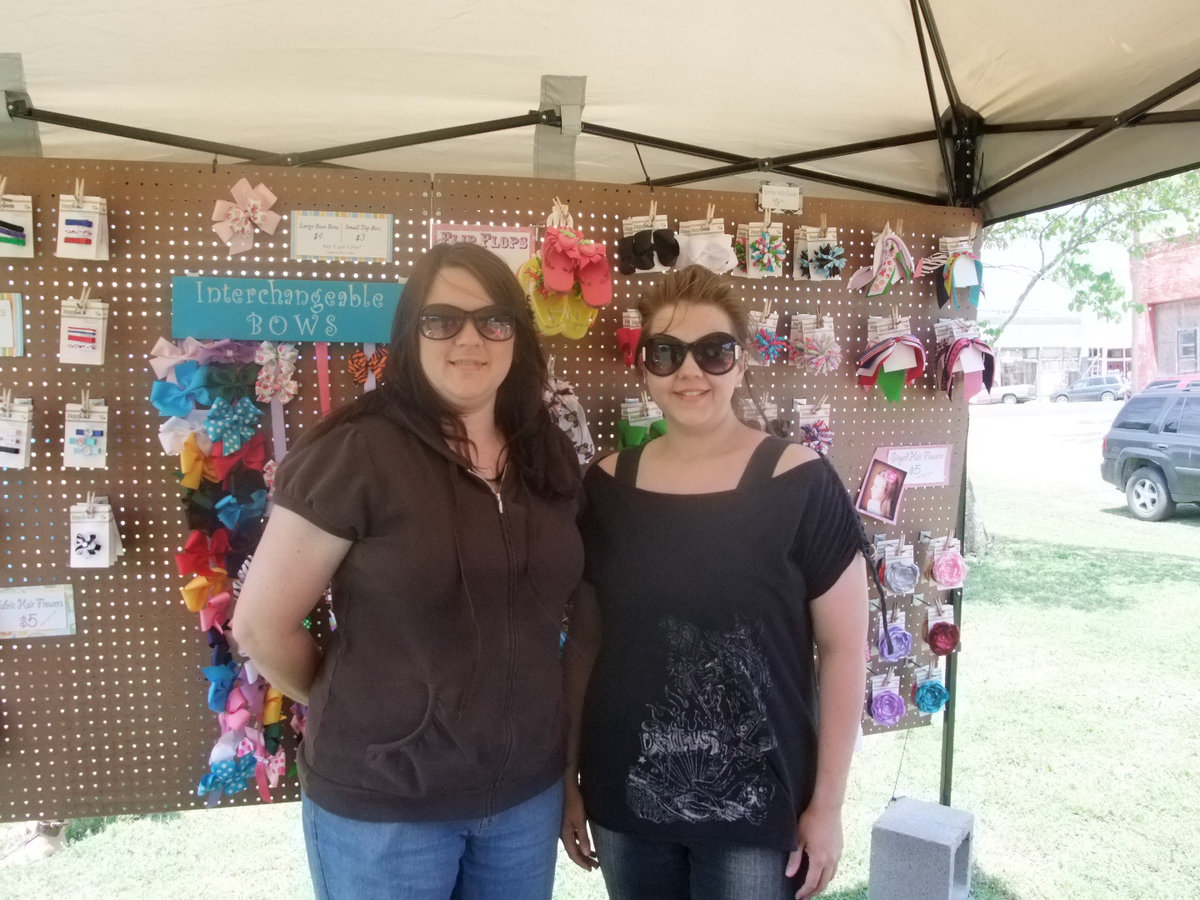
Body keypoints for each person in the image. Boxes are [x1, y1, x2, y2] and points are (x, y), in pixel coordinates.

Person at [233, 242, 584, 900]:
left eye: (492, 320)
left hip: (521, 801)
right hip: (386, 810)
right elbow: (260, 625)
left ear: (516, 332)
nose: (469, 339)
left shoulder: (546, 451)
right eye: (442, 319)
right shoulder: (357, 450)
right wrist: (373, 711)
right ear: (410, 334)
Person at [561, 265, 869, 900]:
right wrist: (569, 772)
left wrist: (828, 806)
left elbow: (844, 652)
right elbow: (586, 645)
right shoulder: (605, 489)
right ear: (643, 364)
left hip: (759, 807)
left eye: (714, 351)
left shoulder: (802, 482)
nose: (689, 372)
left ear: (743, 361)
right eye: (666, 352)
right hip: (629, 795)